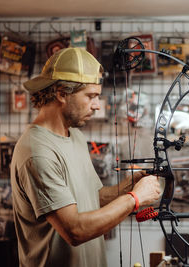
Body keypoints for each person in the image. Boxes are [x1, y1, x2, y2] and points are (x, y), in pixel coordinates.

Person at [10, 47, 161, 267]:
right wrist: (134, 199)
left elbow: (92, 198)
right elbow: (75, 231)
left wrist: (129, 186)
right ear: (61, 93)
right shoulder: (38, 152)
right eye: (91, 96)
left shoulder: (76, 137)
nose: (97, 105)